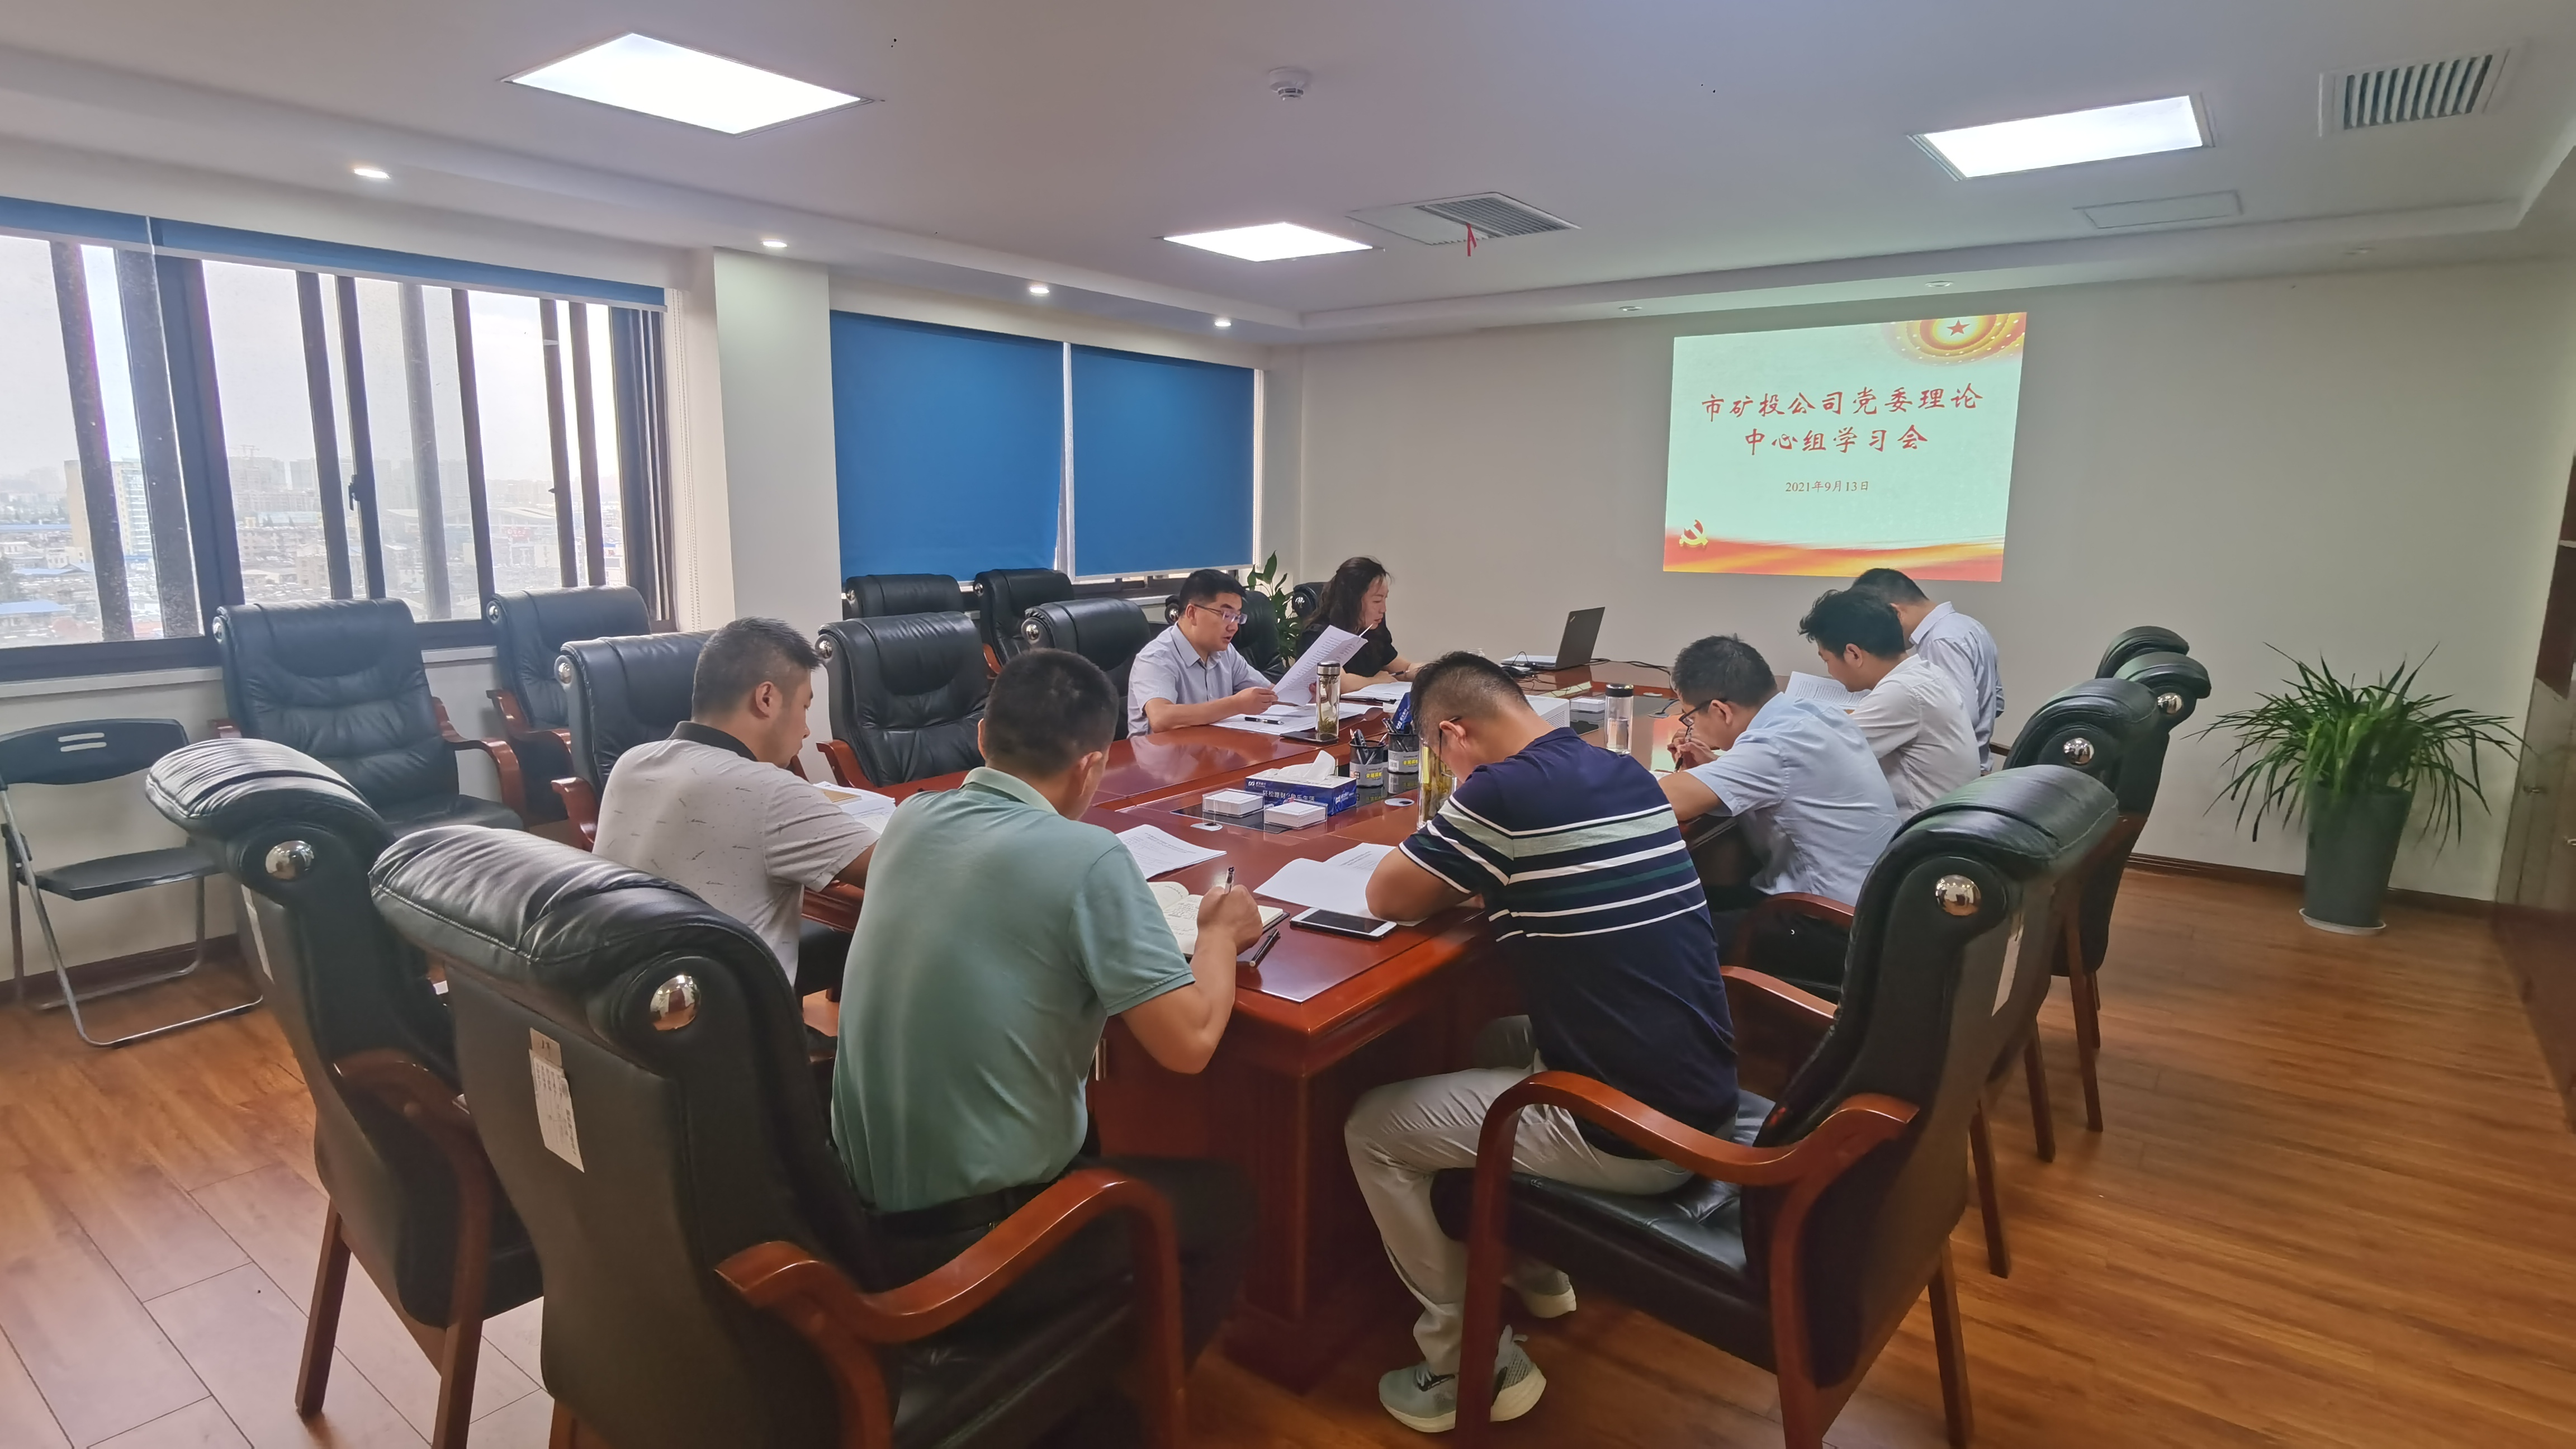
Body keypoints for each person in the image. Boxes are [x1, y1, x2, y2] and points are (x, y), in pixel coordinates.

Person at [1346, 652, 1739, 1434]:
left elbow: (1387, 895)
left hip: (1632, 1130)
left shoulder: (1501, 793)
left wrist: (1461, 837)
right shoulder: (1621, 770)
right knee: (1497, 1038)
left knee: (1372, 1129)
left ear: (1454, 734)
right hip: (1702, 1084)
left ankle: (1469, 1363)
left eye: (1440, 754)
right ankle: (1538, 1266)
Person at [834, 647, 1258, 1363]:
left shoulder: (910, 820)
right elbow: (1188, 1046)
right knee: (1228, 1199)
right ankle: (1127, 1397)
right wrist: (1217, 936)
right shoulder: (1089, 857)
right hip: (977, 1245)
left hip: (856, 1221)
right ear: (1092, 767)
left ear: (981, 737)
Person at [593, 617, 873, 997]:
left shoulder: (631, 763)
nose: (807, 730)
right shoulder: (771, 792)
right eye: (805, 706)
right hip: (730, 1016)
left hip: (633, 999)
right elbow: (903, 867)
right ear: (767, 698)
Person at [1660, 634, 1900, 990]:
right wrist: (1716, 770)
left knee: (1660, 936)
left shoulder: (1773, 747)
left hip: (1824, 927)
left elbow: (1662, 799)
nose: (1690, 727)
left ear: (1721, 711)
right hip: (1871, 915)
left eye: (1689, 716)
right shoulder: (1817, 715)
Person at [1799, 587, 1981, 816]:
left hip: (1921, 828)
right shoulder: (1925, 673)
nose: (1829, 670)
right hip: (1949, 816)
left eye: (1826, 660)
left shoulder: (1903, 692)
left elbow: (1817, 755)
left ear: (1853, 654)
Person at [1852, 567, 2005, 763]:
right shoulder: (1967, 625)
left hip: (1947, 769)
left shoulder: (1940, 641)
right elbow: (1998, 702)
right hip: (1970, 761)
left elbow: (1960, 716)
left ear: (1895, 613)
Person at [1127, 567, 1277, 736]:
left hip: (1212, 748)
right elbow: (1161, 718)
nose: (1234, 627)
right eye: (1227, 615)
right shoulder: (1156, 658)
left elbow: (1272, 693)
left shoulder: (1225, 652)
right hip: (1161, 752)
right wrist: (1236, 705)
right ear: (1192, 613)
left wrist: (1298, 693)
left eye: (1237, 617)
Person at [1299, 555, 1417, 683]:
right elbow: (1338, 682)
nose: (1383, 609)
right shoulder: (1318, 634)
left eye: (1385, 599)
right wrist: (1377, 681)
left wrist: (1428, 672)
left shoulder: (1373, 631)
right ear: (1352, 601)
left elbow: (1405, 670)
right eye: (1377, 601)